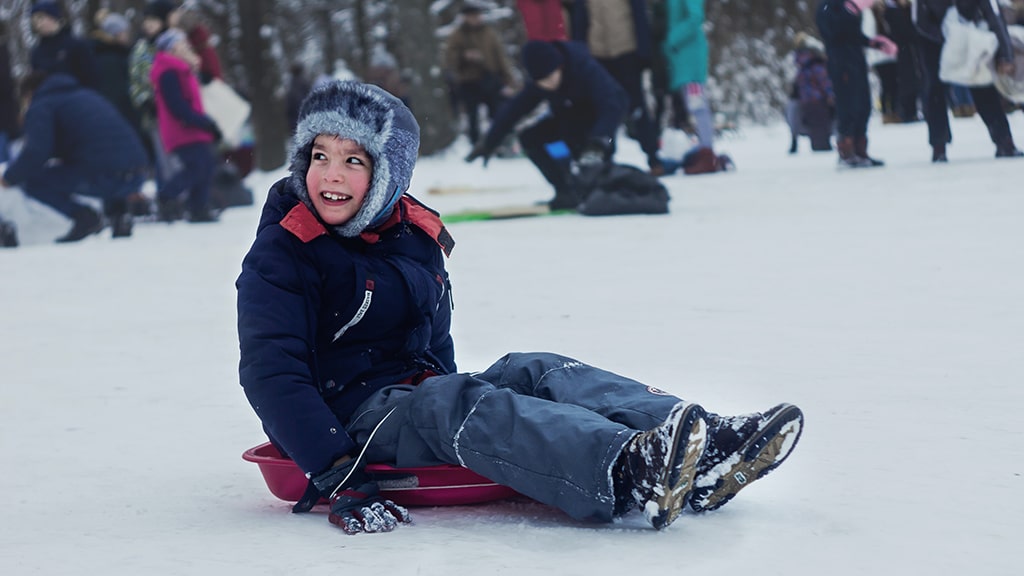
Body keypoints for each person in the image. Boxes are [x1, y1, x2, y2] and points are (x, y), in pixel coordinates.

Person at [236, 79, 806, 535]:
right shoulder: (285, 251)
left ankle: (699, 445)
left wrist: (460, 410)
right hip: (341, 421)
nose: (330, 174)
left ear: (388, 176)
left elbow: (431, 340)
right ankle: (629, 470)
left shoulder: (410, 233)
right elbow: (271, 371)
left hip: (408, 395)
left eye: (353, 161)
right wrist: (337, 471)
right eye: (319, 155)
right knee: (450, 401)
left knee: (530, 369)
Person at [465, 40, 629, 210]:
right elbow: (513, 111)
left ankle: (600, 190)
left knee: (590, 168)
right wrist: (489, 142)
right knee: (530, 137)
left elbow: (613, 105)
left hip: (598, 125)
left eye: (550, 78)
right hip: (567, 121)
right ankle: (565, 191)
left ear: (560, 67)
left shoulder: (585, 70)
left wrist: (599, 141)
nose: (547, 85)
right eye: (541, 82)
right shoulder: (542, 78)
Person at [0, 72, 147, 242]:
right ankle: (120, 216)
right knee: (98, 157)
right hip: (137, 172)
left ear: (28, 93)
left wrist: (9, 178)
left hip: (105, 175)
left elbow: (35, 153)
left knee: (31, 179)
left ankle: (83, 217)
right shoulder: (86, 95)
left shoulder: (41, 104)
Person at [914, 0, 1022, 162]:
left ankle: (1004, 141)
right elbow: (919, 21)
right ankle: (939, 146)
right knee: (934, 90)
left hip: (971, 33)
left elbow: (994, 16)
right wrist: (946, 36)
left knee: (983, 86)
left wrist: (1005, 54)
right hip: (934, 40)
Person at [571, 0, 663, 175]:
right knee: (603, 109)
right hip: (597, 54)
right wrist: (580, 54)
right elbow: (580, 21)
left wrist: (644, 52)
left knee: (637, 106)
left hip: (626, 50)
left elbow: (639, 15)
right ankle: (606, 158)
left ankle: (653, 156)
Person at [150, 28, 221, 223]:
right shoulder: (168, 71)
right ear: (172, 48)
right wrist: (203, 123)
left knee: (205, 166)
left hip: (192, 128)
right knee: (197, 167)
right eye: (182, 43)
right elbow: (177, 105)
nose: (187, 46)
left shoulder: (182, 69)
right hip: (181, 129)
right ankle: (166, 196)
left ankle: (198, 207)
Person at [816, 0, 898, 167]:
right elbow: (834, 33)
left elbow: (853, 35)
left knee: (863, 105)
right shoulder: (827, 6)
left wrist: (873, 43)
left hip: (856, 61)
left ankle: (860, 150)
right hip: (840, 63)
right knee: (848, 106)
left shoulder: (846, 5)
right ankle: (846, 152)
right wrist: (851, 9)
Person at [663, 0, 731, 174]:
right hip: (683, 58)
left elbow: (695, 17)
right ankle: (702, 150)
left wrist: (672, 38)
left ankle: (707, 154)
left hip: (690, 59)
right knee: (692, 106)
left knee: (698, 106)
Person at [443, 3, 517, 146]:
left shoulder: (489, 33)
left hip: (490, 78)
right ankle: (475, 144)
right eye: (472, 16)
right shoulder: (457, 35)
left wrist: (508, 78)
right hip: (468, 81)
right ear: (465, 18)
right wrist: (464, 56)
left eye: (477, 15)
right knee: (472, 116)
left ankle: (498, 142)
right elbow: (449, 58)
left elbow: (500, 56)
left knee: (497, 113)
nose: (476, 19)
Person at [29, 1, 97, 89]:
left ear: (53, 17)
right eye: (34, 21)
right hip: (49, 100)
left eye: (41, 18)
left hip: (77, 98)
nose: (38, 25)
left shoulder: (76, 45)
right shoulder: (36, 53)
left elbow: (92, 80)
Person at [787, 32, 835, 154]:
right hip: (818, 100)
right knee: (821, 128)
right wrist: (830, 95)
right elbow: (825, 81)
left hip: (807, 100)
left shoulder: (802, 67)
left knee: (815, 128)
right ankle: (822, 146)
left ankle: (815, 145)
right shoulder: (816, 65)